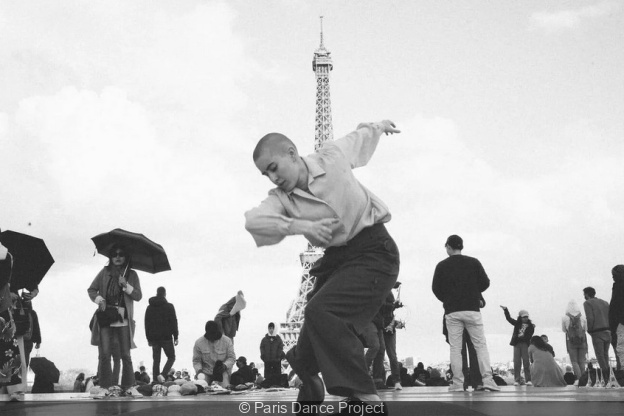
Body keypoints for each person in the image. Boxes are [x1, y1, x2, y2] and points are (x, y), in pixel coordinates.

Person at [245, 120, 401, 406]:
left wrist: (378, 126)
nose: (272, 177)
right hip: (335, 260)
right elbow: (255, 221)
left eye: (274, 167)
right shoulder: (281, 198)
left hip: (373, 251)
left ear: (292, 153)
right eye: (265, 173)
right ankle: (310, 380)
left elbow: (359, 136)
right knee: (311, 327)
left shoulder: (331, 156)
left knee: (322, 310)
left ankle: (365, 395)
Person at [432, 235, 500, 392]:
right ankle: (487, 380)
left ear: (448, 247)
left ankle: (457, 383)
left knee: (455, 348)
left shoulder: (441, 266)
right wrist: (472, 292)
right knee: (480, 346)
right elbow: (485, 282)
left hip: (452, 311)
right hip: (472, 309)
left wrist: (448, 298)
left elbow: (436, 288)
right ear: (461, 246)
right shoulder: (473, 262)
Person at [88, 244, 142, 389]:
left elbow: (138, 296)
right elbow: (92, 290)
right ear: (110, 257)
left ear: (126, 257)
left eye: (121, 254)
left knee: (125, 353)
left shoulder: (132, 274)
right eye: (114, 254)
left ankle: (128, 386)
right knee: (105, 353)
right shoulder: (105, 272)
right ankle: (105, 387)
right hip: (107, 314)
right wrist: (100, 300)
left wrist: (126, 285)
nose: (117, 257)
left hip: (122, 315)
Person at [0, 241, 22, 396]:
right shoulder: (7, 255)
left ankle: (11, 386)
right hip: (3, 305)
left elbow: (3, 279)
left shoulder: (5, 256)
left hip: (2, 305)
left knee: (7, 348)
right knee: (8, 349)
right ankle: (12, 387)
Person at [145, 286, 178, 382]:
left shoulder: (149, 307)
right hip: (166, 337)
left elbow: (147, 323)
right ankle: (163, 375)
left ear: (156, 293)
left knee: (156, 360)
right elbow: (174, 322)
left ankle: (155, 380)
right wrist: (176, 336)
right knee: (171, 357)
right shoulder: (169, 306)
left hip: (154, 338)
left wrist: (148, 338)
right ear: (164, 294)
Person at [192, 320, 236, 387]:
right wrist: (199, 370)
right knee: (201, 388)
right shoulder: (199, 343)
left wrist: (224, 366)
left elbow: (231, 358)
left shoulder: (227, 341)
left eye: (214, 335)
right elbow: (196, 361)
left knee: (225, 389)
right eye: (210, 336)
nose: (212, 338)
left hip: (222, 372)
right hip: (205, 372)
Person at [501, 306, 534, 386]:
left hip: (525, 344)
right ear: (520, 317)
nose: (525, 318)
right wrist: (506, 310)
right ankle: (517, 380)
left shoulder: (531, 326)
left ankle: (528, 380)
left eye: (526, 317)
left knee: (526, 361)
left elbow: (529, 335)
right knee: (517, 362)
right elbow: (509, 319)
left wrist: (522, 338)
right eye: (523, 317)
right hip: (516, 344)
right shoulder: (517, 324)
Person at [582, 286, 611, 378]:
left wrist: (589, 329)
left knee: (600, 355)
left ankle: (605, 375)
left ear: (586, 294)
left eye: (584, 294)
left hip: (597, 331)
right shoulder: (605, 303)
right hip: (608, 330)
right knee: (605, 354)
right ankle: (609, 375)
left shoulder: (587, 303)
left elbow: (590, 318)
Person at [561, 300, 588, 380]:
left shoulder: (565, 318)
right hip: (582, 341)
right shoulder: (582, 317)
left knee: (574, 361)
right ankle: (584, 379)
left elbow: (564, 330)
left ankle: (579, 379)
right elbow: (585, 329)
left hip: (571, 341)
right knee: (582, 361)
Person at [609, 265, 624, 371]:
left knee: (621, 348)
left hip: (619, 322)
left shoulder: (618, 286)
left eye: (614, 275)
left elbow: (616, 305)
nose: (612, 277)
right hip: (619, 321)